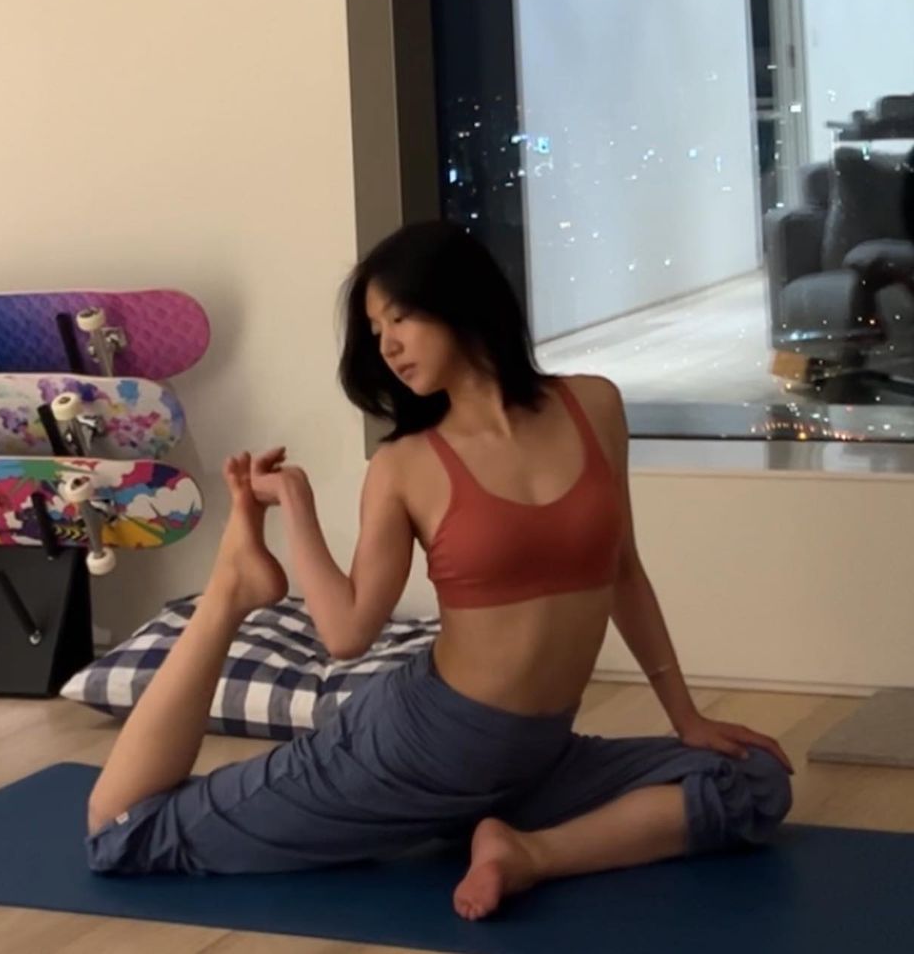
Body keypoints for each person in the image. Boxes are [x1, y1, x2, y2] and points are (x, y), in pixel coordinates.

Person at [85, 220, 794, 921]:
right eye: (375, 329)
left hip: (537, 758)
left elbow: (624, 573)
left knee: (754, 780)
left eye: (401, 317)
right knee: (127, 832)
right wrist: (296, 505)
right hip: (418, 751)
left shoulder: (594, 405)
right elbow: (346, 632)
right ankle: (233, 584)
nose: (387, 344)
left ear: (461, 301)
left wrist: (685, 716)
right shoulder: (406, 465)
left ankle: (529, 852)